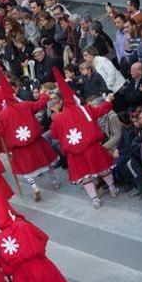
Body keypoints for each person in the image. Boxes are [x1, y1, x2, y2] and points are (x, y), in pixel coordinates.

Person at [50, 69, 119, 208]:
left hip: (75, 154)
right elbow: (101, 110)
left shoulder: (58, 117)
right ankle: (112, 189)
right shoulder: (85, 109)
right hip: (92, 148)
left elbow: (54, 135)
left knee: (85, 177)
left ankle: (95, 199)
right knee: (103, 168)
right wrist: (108, 100)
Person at [0, 67, 61, 200]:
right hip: (35, 141)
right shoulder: (24, 105)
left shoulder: (1, 115)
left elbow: (0, 132)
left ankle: (34, 187)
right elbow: (40, 104)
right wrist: (44, 94)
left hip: (19, 148)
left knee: (26, 169)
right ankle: (55, 181)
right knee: (45, 162)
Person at [0, 181, 68, 282]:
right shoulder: (23, 225)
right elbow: (42, 238)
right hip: (39, 266)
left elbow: (3, 265)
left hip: (21, 276)